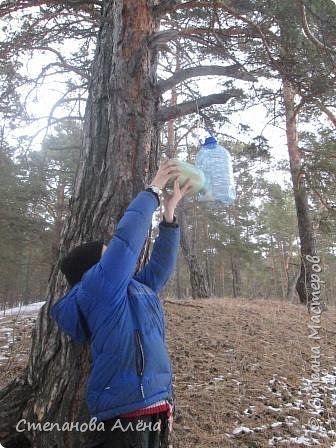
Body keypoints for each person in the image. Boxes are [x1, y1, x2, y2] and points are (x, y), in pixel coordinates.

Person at [50, 160, 193, 448]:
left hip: (154, 403)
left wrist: (168, 215)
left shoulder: (132, 289)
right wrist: (151, 192)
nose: (116, 257)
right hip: (124, 413)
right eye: (107, 254)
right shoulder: (97, 287)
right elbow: (127, 242)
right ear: (93, 271)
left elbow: (160, 269)